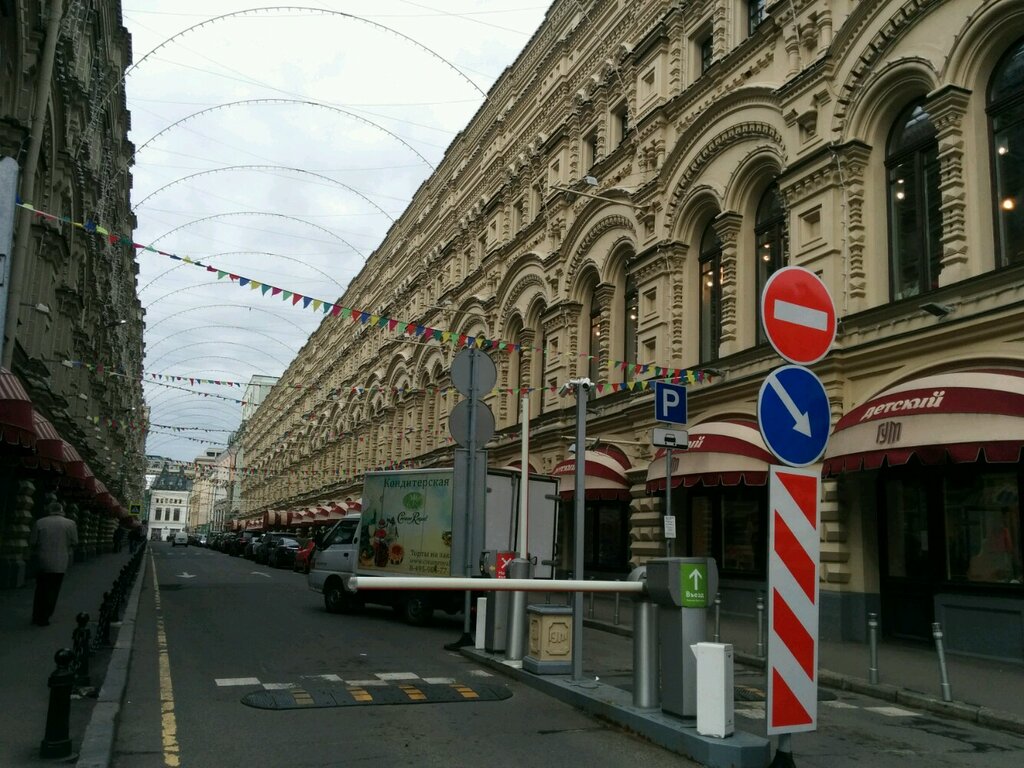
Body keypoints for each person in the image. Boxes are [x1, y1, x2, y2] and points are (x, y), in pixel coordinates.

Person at [29, 500, 79, 626]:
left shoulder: (40, 522)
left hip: (42, 560)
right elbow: (75, 541)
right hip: (60, 562)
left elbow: (33, 542)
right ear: (62, 510)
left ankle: (36, 615)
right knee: (54, 589)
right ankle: (46, 615)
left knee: (40, 589)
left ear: (49, 510)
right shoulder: (70, 523)